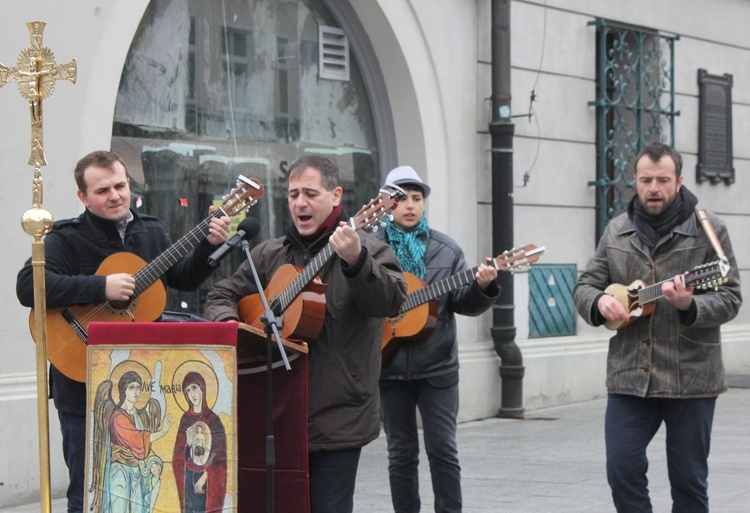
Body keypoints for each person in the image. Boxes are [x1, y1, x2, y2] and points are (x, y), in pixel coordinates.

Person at [15, 150, 231, 513]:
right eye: (102, 191)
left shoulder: (151, 231)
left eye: (120, 185)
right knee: (89, 491)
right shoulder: (65, 238)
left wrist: (210, 246)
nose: (115, 195)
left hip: (141, 391)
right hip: (83, 386)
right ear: (84, 197)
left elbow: (181, 280)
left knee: (142, 496)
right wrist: (101, 288)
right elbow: (28, 286)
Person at [203, 154, 407, 513]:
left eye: (310, 193)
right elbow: (221, 293)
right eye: (293, 194)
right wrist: (232, 328)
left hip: (337, 416)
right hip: (276, 412)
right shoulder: (269, 254)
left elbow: (392, 301)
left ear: (336, 196)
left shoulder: (370, 249)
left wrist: (357, 261)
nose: (300, 202)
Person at [573, 143, 742, 512]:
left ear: (679, 181)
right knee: (622, 470)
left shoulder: (709, 230)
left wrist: (690, 304)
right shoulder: (617, 230)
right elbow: (585, 285)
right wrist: (600, 301)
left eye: (663, 180)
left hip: (692, 378)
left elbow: (730, 297)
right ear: (634, 180)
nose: (654, 188)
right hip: (630, 375)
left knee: (688, 481)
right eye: (646, 179)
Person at [376, 166, 500, 513]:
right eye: (401, 199)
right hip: (389, 367)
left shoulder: (447, 251)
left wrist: (484, 286)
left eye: (417, 198)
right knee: (400, 453)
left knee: (443, 449)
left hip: (438, 368)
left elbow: (463, 304)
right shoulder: (371, 249)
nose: (410, 206)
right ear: (386, 203)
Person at [90, 370, 173, 513]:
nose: (136, 392)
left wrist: (153, 462)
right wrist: (162, 432)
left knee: (137, 509)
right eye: (131, 387)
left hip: (136, 471)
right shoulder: (117, 417)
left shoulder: (137, 416)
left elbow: (145, 447)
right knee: (119, 509)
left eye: (138, 387)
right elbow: (137, 440)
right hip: (120, 472)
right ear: (123, 390)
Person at [172, 371, 228, 513]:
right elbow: (178, 457)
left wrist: (206, 475)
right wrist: (188, 444)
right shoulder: (185, 420)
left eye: (194, 388)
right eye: (188, 391)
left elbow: (220, 457)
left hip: (206, 480)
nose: (192, 394)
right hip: (188, 478)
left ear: (202, 388)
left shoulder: (214, 421)